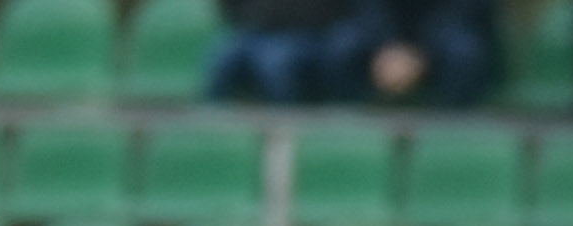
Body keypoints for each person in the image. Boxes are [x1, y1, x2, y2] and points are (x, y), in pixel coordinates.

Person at [207, 0, 502, 100]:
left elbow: (468, 8)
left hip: (445, 32)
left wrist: (418, 54)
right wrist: (387, 47)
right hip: (389, 36)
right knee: (344, 47)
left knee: (465, 52)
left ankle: (451, 134)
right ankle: (348, 119)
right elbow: (370, 6)